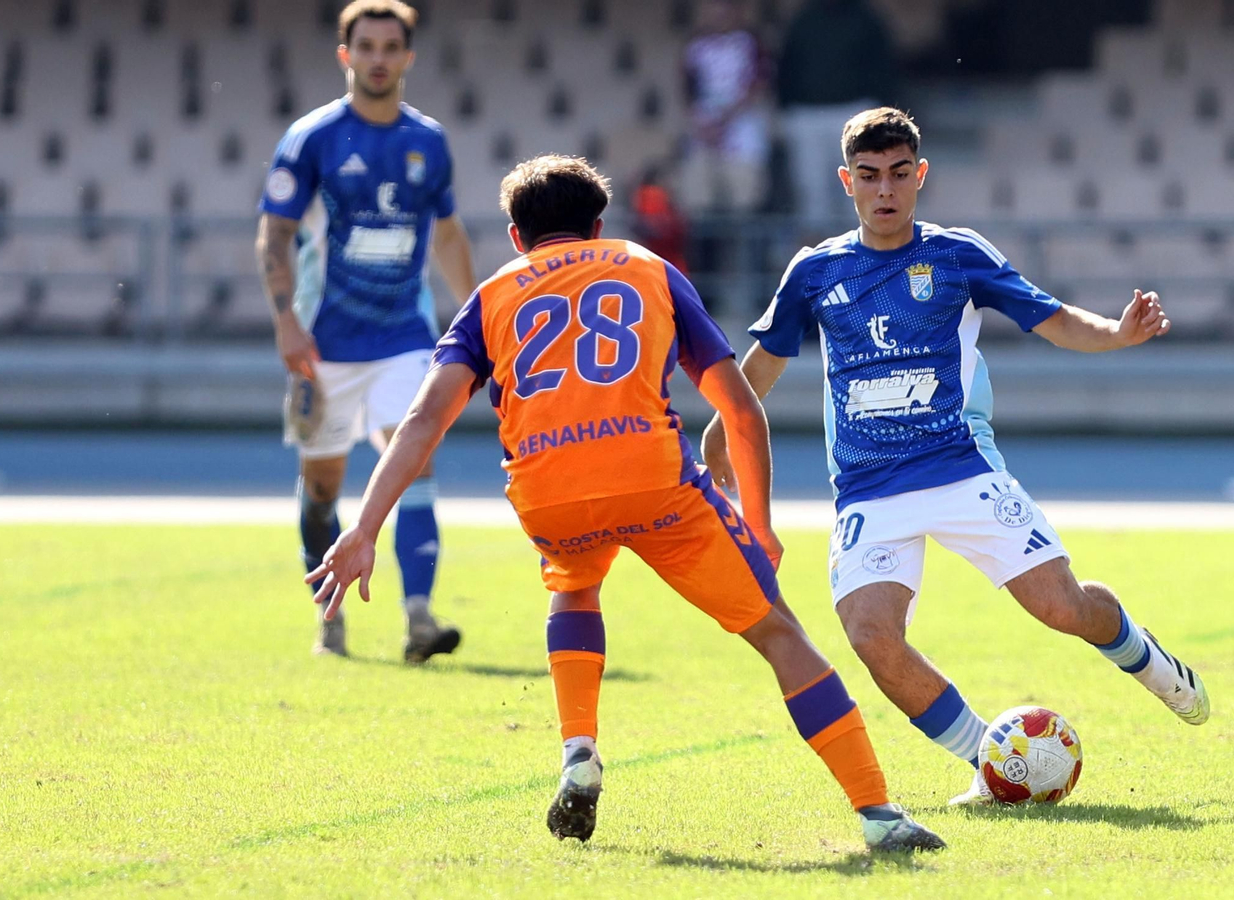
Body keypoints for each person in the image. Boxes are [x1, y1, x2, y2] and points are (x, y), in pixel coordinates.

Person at [302, 155, 945, 852]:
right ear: (598, 226)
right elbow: (738, 406)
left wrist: (364, 529)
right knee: (779, 634)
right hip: (652, 478)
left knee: (575, 585)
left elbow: (425, 417)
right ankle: (878, 813)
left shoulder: (491, 294)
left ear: (518, 237)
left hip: (548, 493)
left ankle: (579, 749)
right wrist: (757, 524)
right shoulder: (646, 266)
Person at [701, 108, 1210, 806]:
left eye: (900, 175)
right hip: (868, 491)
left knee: (1062, 608)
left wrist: (1117, 335)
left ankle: (1144, 659)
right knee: (872, 637)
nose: (886, 190)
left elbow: (1054, 318)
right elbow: (761, 366)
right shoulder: (817, 270)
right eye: (871, 177)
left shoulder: (956, 255)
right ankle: (991, 762)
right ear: (847, 181)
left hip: (960, 469)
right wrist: (720, 427)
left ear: (921, 176)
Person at [255, 0, 476, 661]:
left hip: (406, 336)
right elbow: (275, 231)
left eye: (391, 47)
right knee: (321, 488)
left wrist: (477, 312)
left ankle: (419, 618)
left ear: (408, 57)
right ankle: (330, 616)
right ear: (345, 55)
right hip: (325, 344)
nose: (379, 58)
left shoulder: (428, 142)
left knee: (414, 459)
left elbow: (445, 231)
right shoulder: (312, 138)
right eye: (367, 46)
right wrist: (286, 321)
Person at [776, 0, 896, 224]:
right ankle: (819, 257)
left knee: (858, 189)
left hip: (855, 113)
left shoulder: (866, 19)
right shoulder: (803, 20)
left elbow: (882, 69)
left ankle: (862, 255)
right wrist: (786, 111)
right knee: (811, 192)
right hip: (807, 116)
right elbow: (787, 68)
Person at [679, 0, 772, 214]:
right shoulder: (696, 44)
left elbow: (759, 84)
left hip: (742, 128)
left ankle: (739, 247)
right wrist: (702, 124)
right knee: (699, 195)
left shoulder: (752, 42)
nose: (719, 14)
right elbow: (687, 90)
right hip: (704, 128)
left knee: (744, 197)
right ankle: (705, 246)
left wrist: (726, 120)